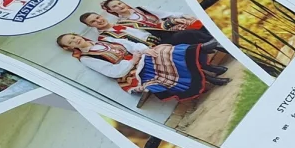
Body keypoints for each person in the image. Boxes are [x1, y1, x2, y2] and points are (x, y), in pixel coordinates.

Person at [55, 34, 230, 101]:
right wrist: (133, 61)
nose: (75, 40)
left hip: (141, 59)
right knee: (163, 56)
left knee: (161, 52)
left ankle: (210, 72)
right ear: (68, 48)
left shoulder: (105, 40)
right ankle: (206, 60)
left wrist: (144, 50)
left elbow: (130, 45)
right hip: (132, 73)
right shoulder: (87, 58)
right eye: (70, 42)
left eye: (73, 37)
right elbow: (112, 72)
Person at [97, 0, 217, 45]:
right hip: (161, 38)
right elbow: (143, 36)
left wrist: (183, 15)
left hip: (169, 27)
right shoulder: (123, 24)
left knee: (192, 21)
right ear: (111, 11)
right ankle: (211, 42)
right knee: (185, 33)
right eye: (115, 6)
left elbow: (165, 14)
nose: (119, 6)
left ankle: (216, 38)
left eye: (119, 3)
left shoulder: (141, 9)